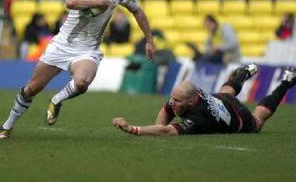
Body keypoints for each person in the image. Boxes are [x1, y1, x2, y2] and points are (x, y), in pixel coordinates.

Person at [0, 0, 156, 139]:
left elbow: (137, 10)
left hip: (88, 48)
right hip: (62, 44)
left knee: (82, 82)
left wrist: (150, 40)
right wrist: (97, 1)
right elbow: (70, 2)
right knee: (32, 88)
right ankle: (7, 126)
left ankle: (57, 100)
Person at [112, 64, 296, 136]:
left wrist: (133, 129)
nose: (172, 103)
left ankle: (286, 82)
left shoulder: (199, 117)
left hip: (238, 118)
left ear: (191, 102)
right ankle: (246, 72)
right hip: (221, 100)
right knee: (226, 91)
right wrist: (155, 136)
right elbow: (164, 112)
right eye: (172, 99)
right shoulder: (184, 95)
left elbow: (166, 130)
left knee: (258, 120)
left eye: (177, 101)